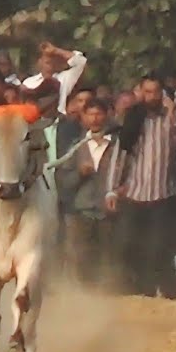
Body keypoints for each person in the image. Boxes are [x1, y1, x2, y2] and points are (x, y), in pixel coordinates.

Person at [105, 74, 176, 298]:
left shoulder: (170, 119)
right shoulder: (133, 120)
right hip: (135, 193)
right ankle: (133, 288)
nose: (151, 97)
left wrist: (171, 112)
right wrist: (112, 188)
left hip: (163, 193)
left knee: (158, 246)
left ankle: (159, 290)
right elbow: (119, 157)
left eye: (155, 92)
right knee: (128, 244)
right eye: (146, 92)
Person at [56, 98, 120, 286]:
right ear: (83, 117)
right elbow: (63, 180)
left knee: (109, 258)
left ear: (107, 116)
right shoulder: (76, 146)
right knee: (79, 258)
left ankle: (108, 293)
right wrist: (79, 174)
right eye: (90, 114)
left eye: (99, 113)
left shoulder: (118, 145)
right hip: (81, 210)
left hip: (109, 212)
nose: (95, 118)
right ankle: (82, 295)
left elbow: (128, 174)